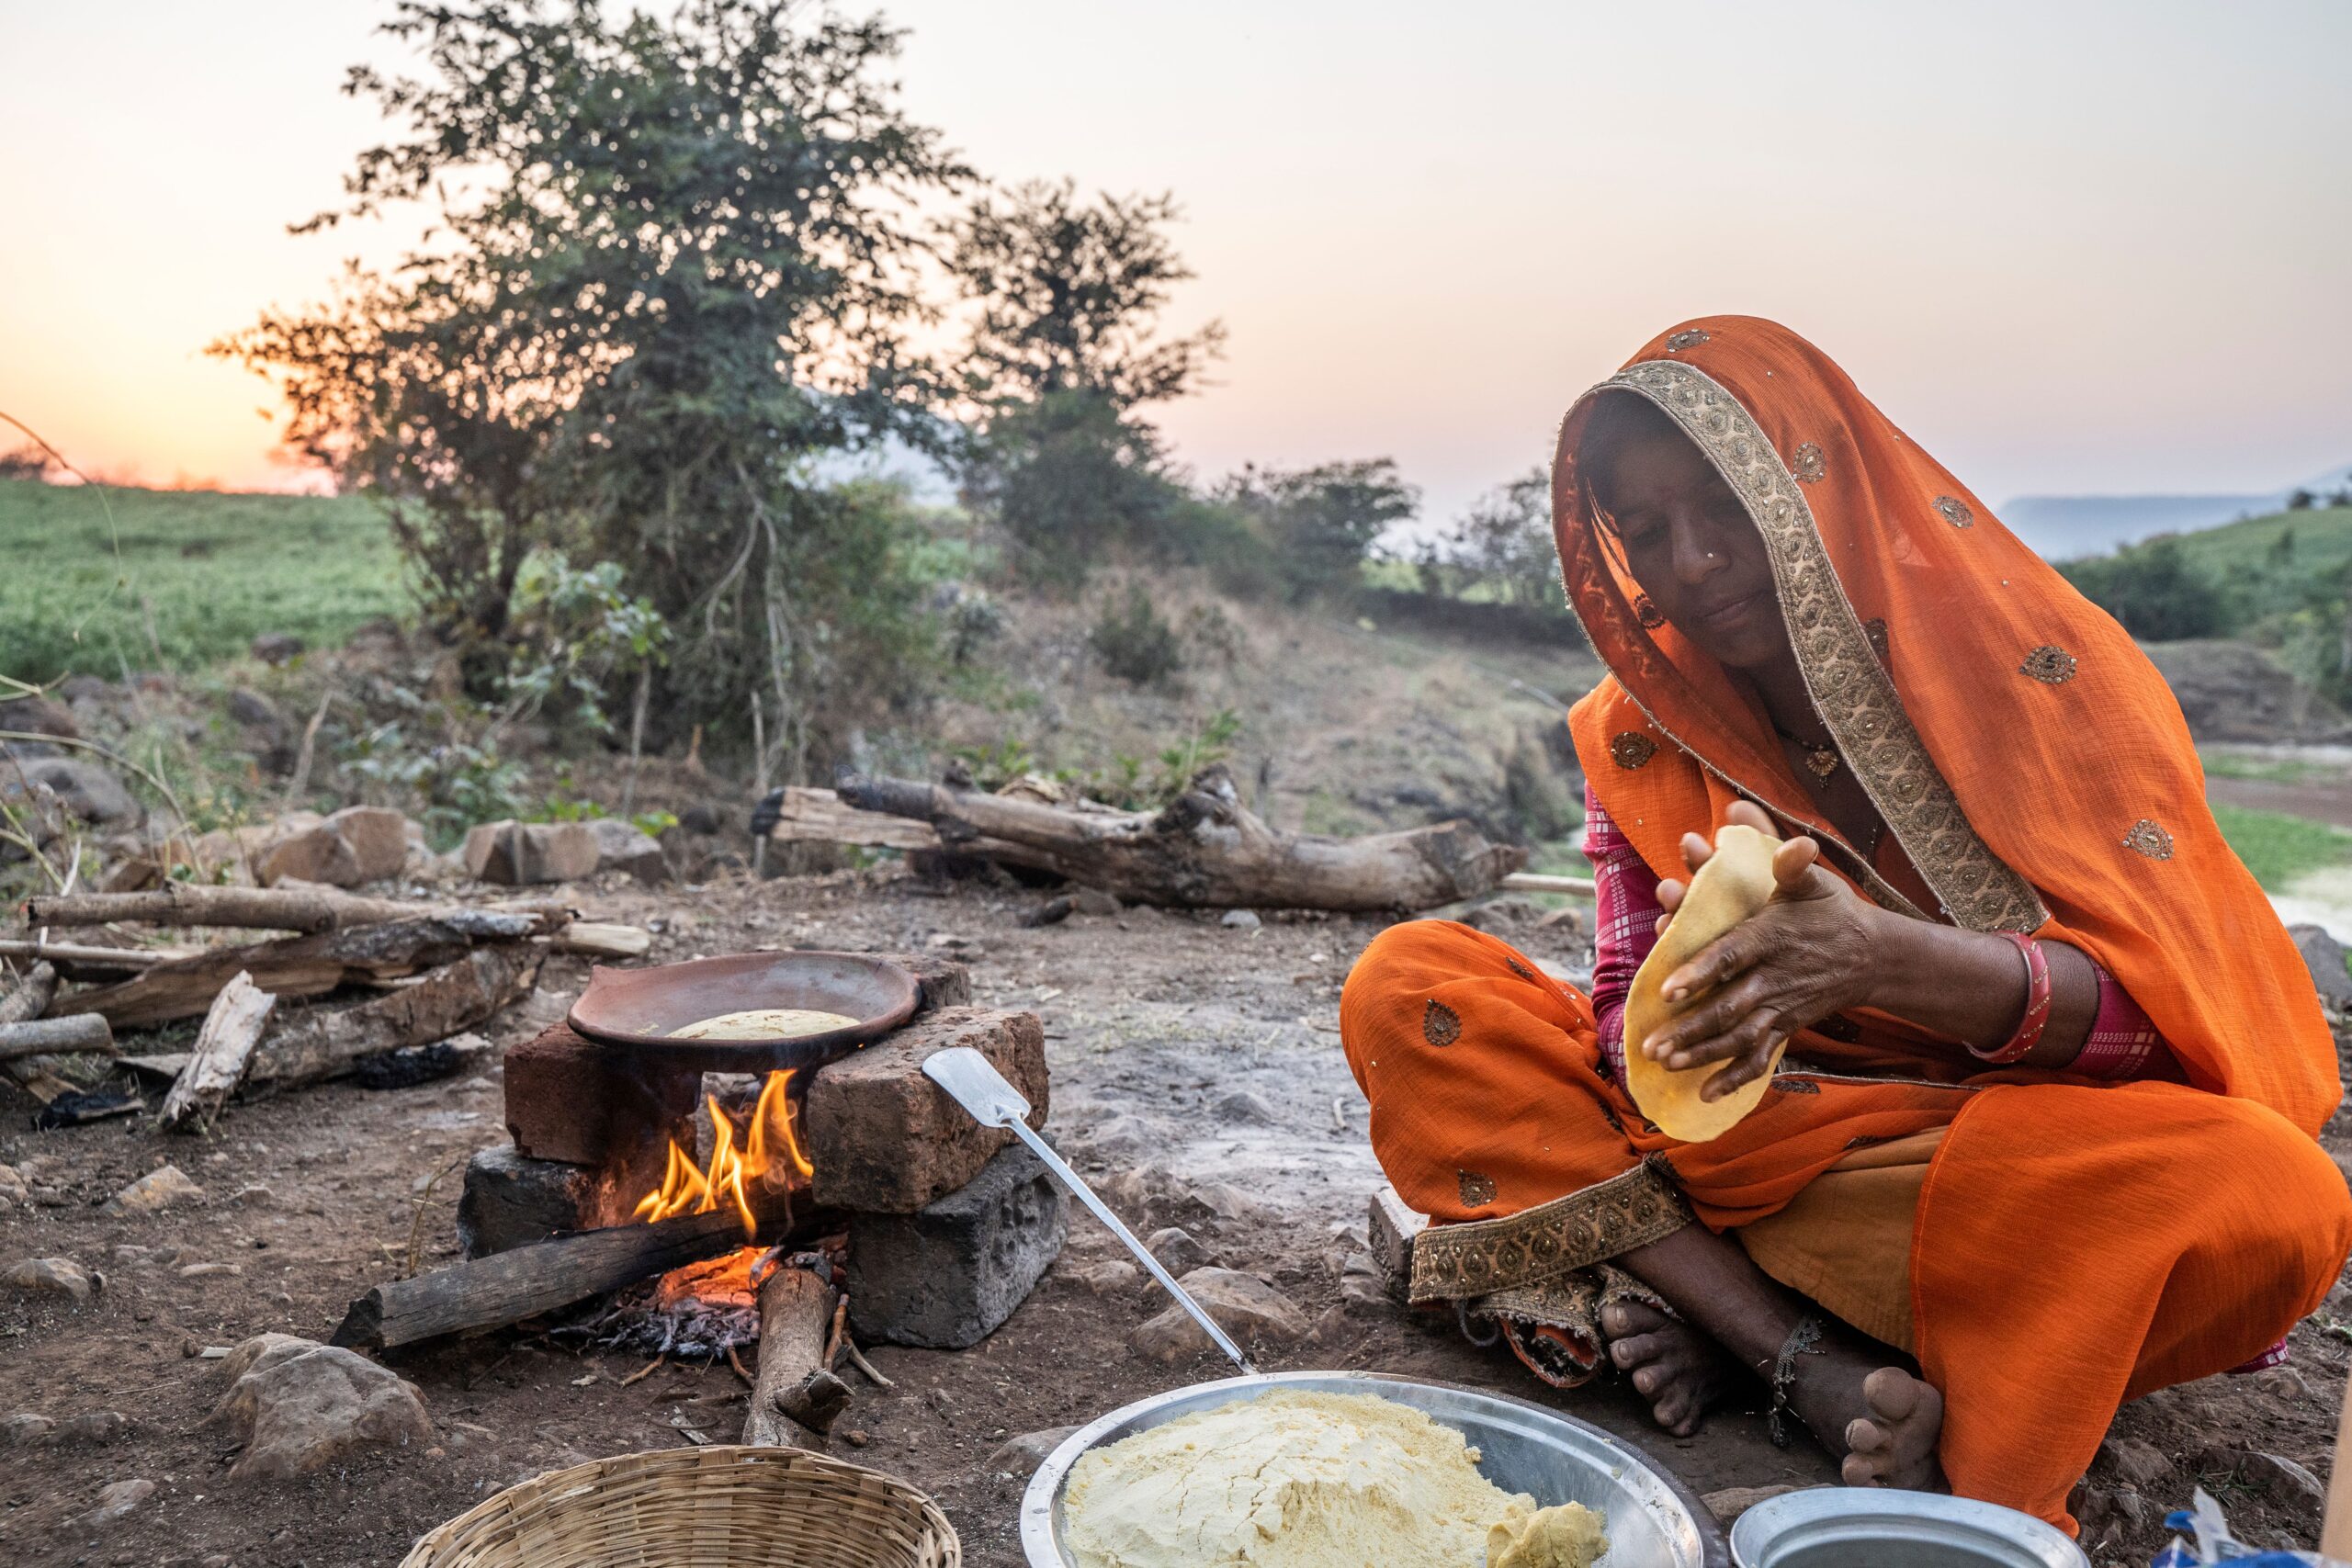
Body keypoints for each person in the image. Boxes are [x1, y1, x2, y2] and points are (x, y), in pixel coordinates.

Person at [1338, 316, 2352, 1534]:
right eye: (1644, 532)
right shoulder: (1639, 724)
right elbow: (1618, 1024)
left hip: (1985, 1169)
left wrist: (1884, 960)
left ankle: (1710, 1300)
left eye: (1725, 506)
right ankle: (1805, 1366)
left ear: (1816, 482)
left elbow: (2176, 1026)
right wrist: (1691, 1002)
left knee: (2265, 1194)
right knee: (1416, 985)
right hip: (1745, 1140)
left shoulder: (2041, 672)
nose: (1693, 564)